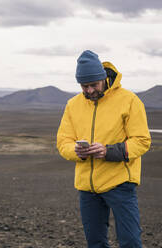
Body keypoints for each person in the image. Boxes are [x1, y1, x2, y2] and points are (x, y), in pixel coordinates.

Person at [56, 50, 151, 248]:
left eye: (93, 85)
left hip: (120, 184)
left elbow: (142, 141)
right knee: (96, 243)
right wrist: (76, 151)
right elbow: (63, 142)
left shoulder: (129, 101)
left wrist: (108, 151)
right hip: (87, 188)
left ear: (104, 78)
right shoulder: (72, 105)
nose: (89, 90)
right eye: (84, 86)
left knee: (130, 242)